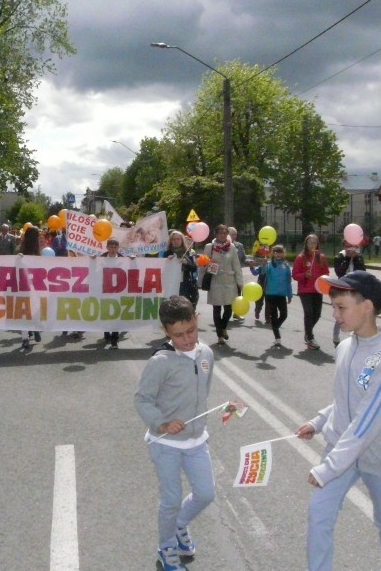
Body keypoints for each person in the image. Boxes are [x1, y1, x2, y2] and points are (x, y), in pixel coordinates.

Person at [295, 271, 381, 571]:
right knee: (319, 514)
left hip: (380, 454)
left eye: (341, 307)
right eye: (333, 307)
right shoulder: (346, 346)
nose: (334, 315)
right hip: (341, 448)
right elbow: (346, 400)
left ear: (367, 307)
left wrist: (327, 468)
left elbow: (367, 421)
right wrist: (318, 422)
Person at [134, 295, 217, 571]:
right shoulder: (160, 362)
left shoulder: (206, 354)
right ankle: (166, 545)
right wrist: (162, 423)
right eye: (179, 335)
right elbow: (143, 399)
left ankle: (179, 525)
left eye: (191, 330)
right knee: (170, 498)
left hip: (196, 441)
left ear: (197, 320)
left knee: (205, 493)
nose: (187, 339)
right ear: (166, 332)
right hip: (165, 442)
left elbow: (201, 392)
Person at [201, 224, 243, 344]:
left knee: (229, 308)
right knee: (217, 308)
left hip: (229, 281)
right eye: (221, 233)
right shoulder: (210, 247)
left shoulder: (232, 247)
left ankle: (223, 327)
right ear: (216, 234)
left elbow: (236, 265)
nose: (223, 235)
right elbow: (203, 264)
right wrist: (208, 263)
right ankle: (219, 335)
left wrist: (240, 282)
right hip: (215, 280)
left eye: (225, 233)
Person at [292, 234, 330, 350]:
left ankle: (308, 332)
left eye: (315, 243)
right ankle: (310, 337)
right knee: (309, 312)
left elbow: (326, 273)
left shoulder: (321, 257)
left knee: (317, 314)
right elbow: (294, 274)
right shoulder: (300, 258)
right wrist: (304, 275)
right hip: (305, 290)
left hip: (317, 290)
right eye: (310, 243)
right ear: (306, 244)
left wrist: (324, 280)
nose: (313, 245)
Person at [258, 245, 292, 347]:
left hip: (281, 295)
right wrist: (263, 265)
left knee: (284, 314)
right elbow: (264, 272)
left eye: (280, 252)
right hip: (270, 294)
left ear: (283, 253)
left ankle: (275, 326)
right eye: (276, 252)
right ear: (273, 253)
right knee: (274, 315)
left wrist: (289, 295)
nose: (278, 254)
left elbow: (288, 282)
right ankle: (277, 338)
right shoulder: (269, 264)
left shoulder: (286, 266)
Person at [332, 244, 366, 346]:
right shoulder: (339, 256)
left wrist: (355, 258)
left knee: (356, 313)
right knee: (342, 313)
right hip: (343, 290)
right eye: (349, 246)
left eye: (353, 246)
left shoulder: (359, 257)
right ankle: (336, 335)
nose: (351, 248)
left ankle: (357, 336)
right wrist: (347, 258)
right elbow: (339, 272)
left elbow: (362, 272)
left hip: (356, 290)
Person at [18, 226, 43, 350]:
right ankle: (35, 329)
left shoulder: (21, 249)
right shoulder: (38, 251)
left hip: (24, 286)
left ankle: (25, 338)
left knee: (24, 312)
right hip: (35, 286)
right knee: (33, 309)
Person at [161, 230, 199, 309]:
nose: (176, 241)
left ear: (182, 240)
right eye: (173, 239)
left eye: (178, 239)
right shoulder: (167, 253)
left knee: (183, 306)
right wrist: (167, 261)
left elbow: (194, 268)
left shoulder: (187, 253)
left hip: (184, 285)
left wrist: (186, 263)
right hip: (171, 284)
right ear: (170, 241)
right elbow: (162, 270)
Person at [101, 237, 125, 348]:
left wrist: (133, 260)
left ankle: (115, 339)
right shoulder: (101, 258)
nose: (113, 249)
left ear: (118, 248)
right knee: (105, 312)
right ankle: (106, 332)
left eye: (115, 247)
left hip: (118, 291)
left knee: (116, 313)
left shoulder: (123, 259)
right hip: (104, 290)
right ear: (107, 247)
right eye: (111, 247)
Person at [227, 227, 248, 321]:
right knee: (227, 294)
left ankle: (237, 313)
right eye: (231, 234)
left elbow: (244, 259)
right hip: (226, 275)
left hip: (237, 274)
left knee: (238, 293)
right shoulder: (222, 246)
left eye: (235, 234)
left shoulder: (239, 246)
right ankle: (226, 313)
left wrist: (251, 262)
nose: (233, 236)